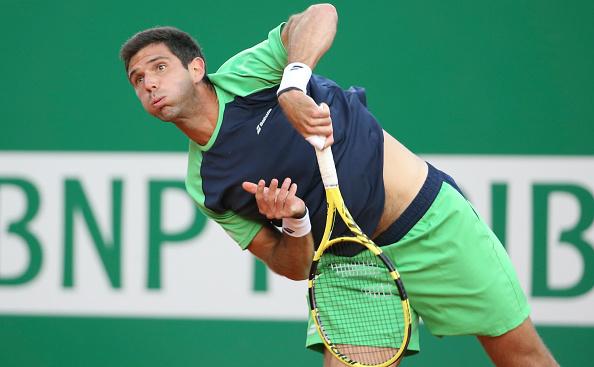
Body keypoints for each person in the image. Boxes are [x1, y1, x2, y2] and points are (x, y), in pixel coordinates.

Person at [120, 3, 558, 366]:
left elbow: (321, 13)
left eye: (159, 67)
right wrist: (294, 223)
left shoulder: (248, 75)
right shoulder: (205, 183)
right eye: (138, 80)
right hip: (350, 267)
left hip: (430, 223)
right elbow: (290, 265)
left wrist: (291, 85)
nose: (150, 83)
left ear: (196, 68)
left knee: (524, 360)